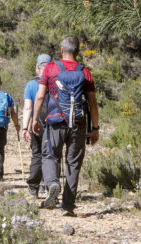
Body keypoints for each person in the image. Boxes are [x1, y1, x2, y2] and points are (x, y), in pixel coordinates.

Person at [32, 36, 100, 217]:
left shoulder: (51, 69)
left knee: (50, 155)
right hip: (78, 124)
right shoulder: (85, 72)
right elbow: (93, 102)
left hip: (55, 122)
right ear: (78, 52)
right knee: (73, 163)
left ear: (62, 50)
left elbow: (39, 97)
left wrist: (35, 119)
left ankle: (52, 183)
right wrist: (95, 128)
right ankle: (68, 205)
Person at [21, 54, 52, 198]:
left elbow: (28, 108)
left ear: (37, 68)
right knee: (51, 156)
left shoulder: (31, 84)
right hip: (54, 125)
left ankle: (34, 187)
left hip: (36, 124)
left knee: (37, 155)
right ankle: (49, 186)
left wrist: (25, 127)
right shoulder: (56, 83)